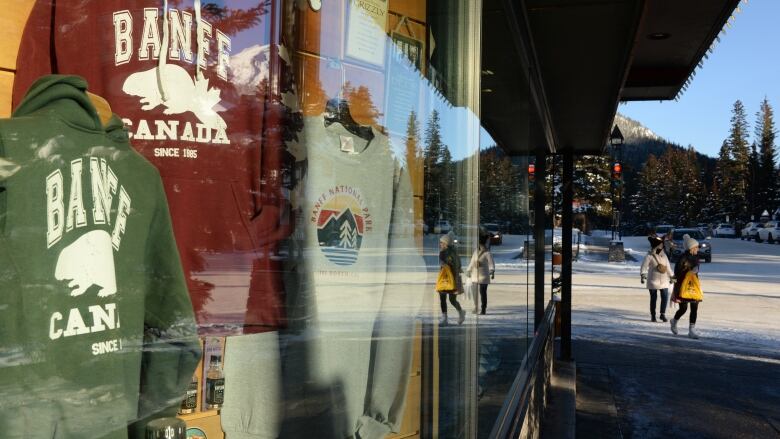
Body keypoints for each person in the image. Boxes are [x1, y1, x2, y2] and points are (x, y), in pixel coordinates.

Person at [670, 234, 703, 339]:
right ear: (691, 248)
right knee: (683, 309)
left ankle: (691, 330)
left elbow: (695, 271)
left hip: (694, 284)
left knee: (694, 307)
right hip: (682, 285)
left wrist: (695, 272)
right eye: (696, 247)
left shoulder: (696, 257)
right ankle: (674, 321)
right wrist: (675, 288)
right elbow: (677, 272)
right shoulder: (683, 258)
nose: (698, 249)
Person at [640, 235, 673, 322]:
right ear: (656, 245)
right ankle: (653, 315)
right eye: (661, 244)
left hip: (664, 280)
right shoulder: (649, 256)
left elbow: (668, 267)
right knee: (653, 298)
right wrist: (643, 274)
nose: (662, 245)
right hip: (653, 280)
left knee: (665, 297)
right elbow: (644, 266)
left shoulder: (664, 255)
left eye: (662, 244)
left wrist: (671, 276)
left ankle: (662, 314)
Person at [438, 234, 466, 326]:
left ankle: (447, 317)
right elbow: (458, 265)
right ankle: (457, 313)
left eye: (441, 242)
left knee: (447, 298)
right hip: (451, 277)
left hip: (449, 278)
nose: (440, 244)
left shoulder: (445, 252)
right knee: (449, 299)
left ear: (446, 243)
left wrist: (446, 265)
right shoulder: (453, 252)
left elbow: (443, 264)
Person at [466, 234, 496, 315]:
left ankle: (483, 308)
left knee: (482, 293)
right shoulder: (476, 252)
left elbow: (491, 263)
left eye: (482, 244)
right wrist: (468, 270)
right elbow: (472, 262)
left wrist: (492, 270)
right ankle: (475, 307)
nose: (481, 246)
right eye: (480, 244)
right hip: (475, 276)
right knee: (474, 293)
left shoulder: (487, 253)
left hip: (484, 276)